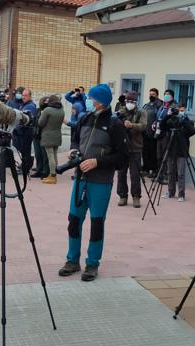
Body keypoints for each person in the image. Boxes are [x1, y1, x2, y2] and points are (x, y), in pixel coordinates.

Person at [58, 84, 129, 281]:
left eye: (91, 97)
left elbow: (123, 158)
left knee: (97, 223)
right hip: (80, 180)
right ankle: (72, 261)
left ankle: (92, 264)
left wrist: (98, 161)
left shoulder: (115, 125)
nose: (88, 100)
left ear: (100, 101)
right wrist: (73, 150)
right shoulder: (85, 118)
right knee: (74, 220)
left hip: (101, 182)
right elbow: (75, 139)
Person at [157, 99, 195, 202]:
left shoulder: (187, 121)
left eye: (182, 110)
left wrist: (183, 120)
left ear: (185, 110)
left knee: (181, 173)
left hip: (182, 150)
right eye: (179, 110)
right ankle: (170, 192)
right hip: (170, 149)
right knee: (170, 172)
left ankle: (181, 194)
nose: (180, 112)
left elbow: (192, 131)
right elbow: (162, 126)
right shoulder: (171, 120)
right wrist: (168, 115)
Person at [116, 91, 147, 208]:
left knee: (135, 174)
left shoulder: (141, 112)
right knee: (121, 173)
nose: (129, 103)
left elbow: (144, 126)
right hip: (123, 147)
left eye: (132, 102)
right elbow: (115, 122)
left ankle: (136, 197)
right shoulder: (121, 111)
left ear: (136, 102)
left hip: (136, 147)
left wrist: (131, 125)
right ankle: (122, 196)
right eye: (128, 101)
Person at [38, 94, 64, 184]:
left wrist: (42, 115)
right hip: (57, 135)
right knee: (55, 155)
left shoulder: (47, 110)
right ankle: (53, 174)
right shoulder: (61, 110)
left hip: (48, 135)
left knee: (50, 156)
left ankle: (52, 176)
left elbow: (40, 123)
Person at [154, 89, 178, 184]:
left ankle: (167, 177)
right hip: (159, 133)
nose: (166, 96)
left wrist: (163, 123)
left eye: (168, 94)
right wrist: (155, 123)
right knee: (159, 155)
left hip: (167, 134)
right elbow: (158, 117)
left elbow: (173, 120)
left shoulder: (174, 106)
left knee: (166, 155)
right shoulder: (163, 105)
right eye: (165, 94)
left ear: (172, 96)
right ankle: (159, 175)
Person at [13, 89, 37, 174]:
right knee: (23, 150)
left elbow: (26, 120)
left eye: (25, 95)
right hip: (23, 131)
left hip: (26, 132)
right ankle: (25, 165)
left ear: (30, 96)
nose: (23, 97)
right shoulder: (24, 104)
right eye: (22, 95)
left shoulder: (30, 106)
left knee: (25, 151)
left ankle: (25, 169)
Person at [141, 88, 163, 178]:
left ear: (157, 95)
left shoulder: (160, 105)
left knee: (153, 153)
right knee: (145, 152)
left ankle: (154, 170)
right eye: (150, 94)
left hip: (153, 133)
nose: (151, 96)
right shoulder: (146, 105)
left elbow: (160, 117)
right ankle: (146, 169)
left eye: (153, 94)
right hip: (145, 132)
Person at [32, 96, 50, 179]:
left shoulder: (49, 111)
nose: (47, 103)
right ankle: (38, 170)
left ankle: (45, 171)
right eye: (45, 101)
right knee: (38, 154)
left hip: (44, 135)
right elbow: (34, 121)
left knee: (44, 154)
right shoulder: (37, 110)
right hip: (36, 135)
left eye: (48, 101)